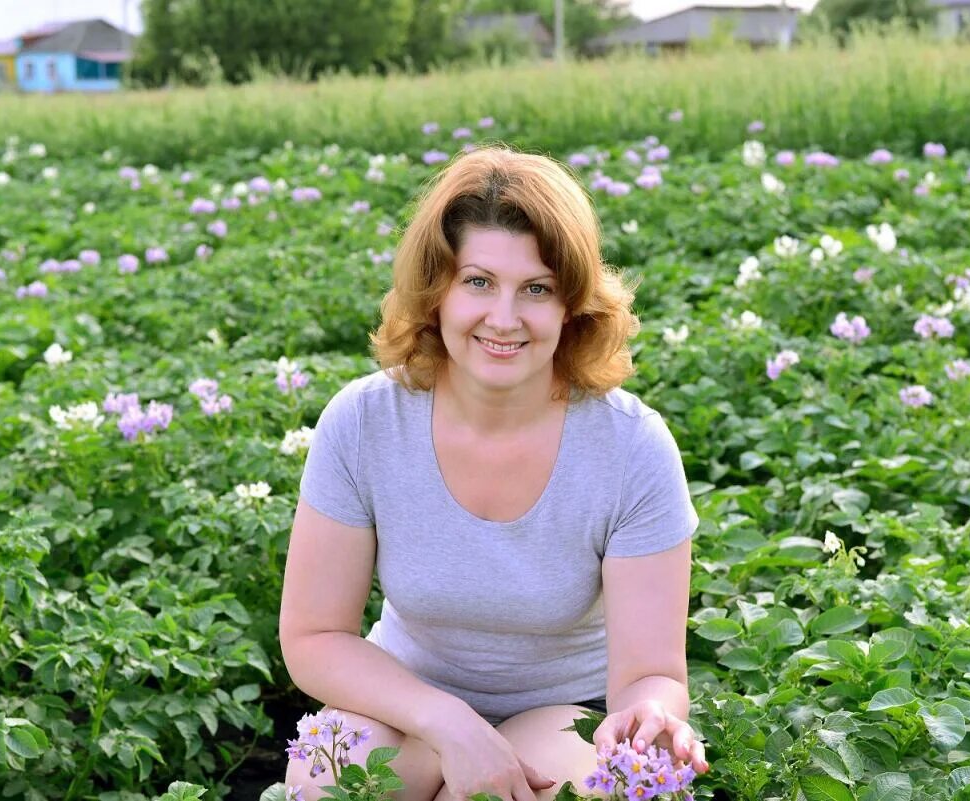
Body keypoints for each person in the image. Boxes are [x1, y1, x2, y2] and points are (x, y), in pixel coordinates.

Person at [279, 145, 708, 801]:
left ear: (571, 306)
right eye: (478, 281)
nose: (503, 318)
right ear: (437, 292)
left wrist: (650, 710)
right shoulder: (365, 421)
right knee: (326, 775)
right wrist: (447, 721)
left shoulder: (631, 446)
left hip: (569, 712)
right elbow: (314, 635)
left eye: (536, 288)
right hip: (405, 698)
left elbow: (651, 672)